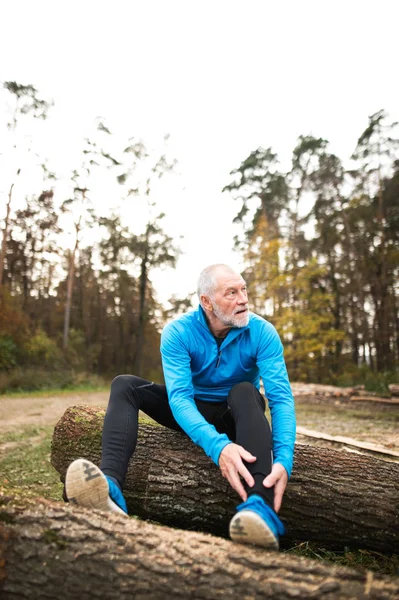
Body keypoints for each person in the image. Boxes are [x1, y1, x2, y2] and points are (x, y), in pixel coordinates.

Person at [65, 263, 296, 549]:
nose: (243, 299)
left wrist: (284, 459)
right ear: (207, 302)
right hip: (191, 413)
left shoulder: (262, 332)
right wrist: (217, 447)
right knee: (125, 384)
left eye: (244, 289)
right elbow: (180, 399)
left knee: (246, 390)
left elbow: (280, 399)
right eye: (232, 292)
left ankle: (260, 505)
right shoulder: (178, 332)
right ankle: (110, 488)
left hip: (235, 414)